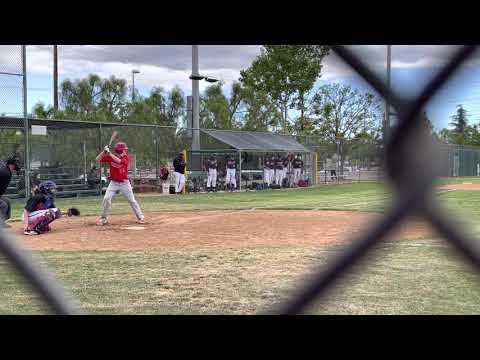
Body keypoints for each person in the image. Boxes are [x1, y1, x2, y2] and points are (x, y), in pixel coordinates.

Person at [96, 142, 145, 226]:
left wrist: (109, 153)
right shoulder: (110, 156)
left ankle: (140, 217)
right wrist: (104, 152)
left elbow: (118, 161)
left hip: (124, 183)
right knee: (106, 198)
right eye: (124, 149)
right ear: (120, 150)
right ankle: (103, 218)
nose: (125, 151)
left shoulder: (125, 158)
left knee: (132, 200)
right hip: (113, 183)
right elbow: (97, 159)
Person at [0, 156, 20, 228]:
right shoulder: (5, 172)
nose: (15, 167)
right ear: (10, 165)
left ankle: (2, 222)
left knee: (7, 202)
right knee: (4, 205)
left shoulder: (7, 171)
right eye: (14, 165)